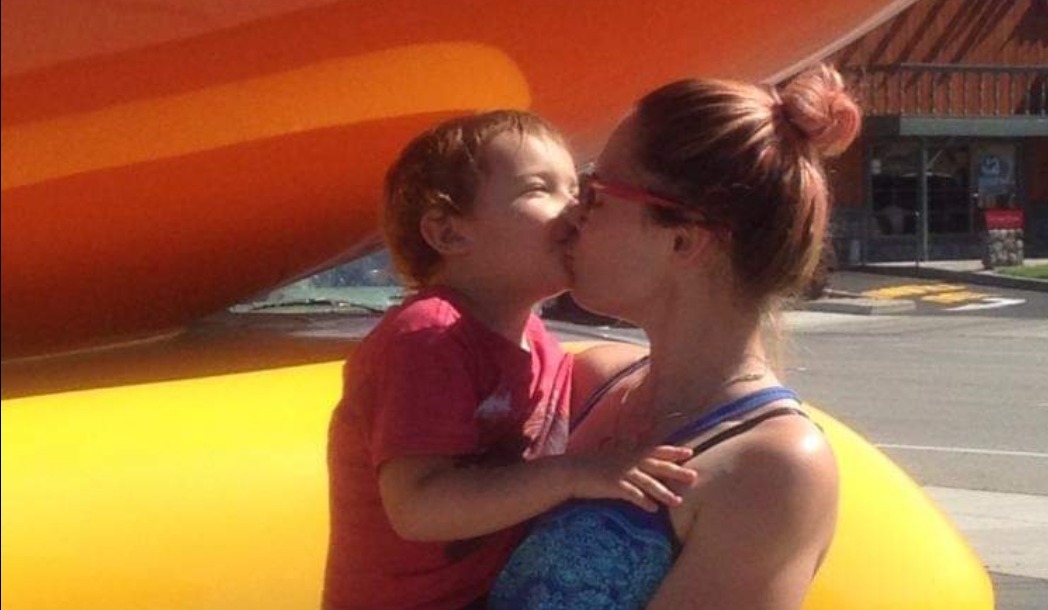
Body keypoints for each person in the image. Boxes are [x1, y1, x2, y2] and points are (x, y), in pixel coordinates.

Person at [490, 64, 860, 609]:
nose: (571, 215)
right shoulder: (589, 379)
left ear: (683, 241)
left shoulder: (774, 468)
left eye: (594, 193)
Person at [322, 110, 697, 610]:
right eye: (541, 188)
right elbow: (418, 507)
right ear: (450, 234)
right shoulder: (429, 338)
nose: (577, 207)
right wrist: (574, 473)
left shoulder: (536, 341)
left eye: (576, 187)